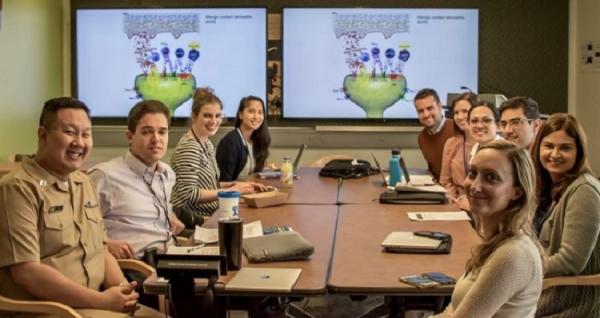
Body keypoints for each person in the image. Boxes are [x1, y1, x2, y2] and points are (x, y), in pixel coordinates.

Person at [0, 97, 162, 317]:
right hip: (49, 309)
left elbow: (101, 249)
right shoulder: (17, 188)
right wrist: (102, 301)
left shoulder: (82, 182)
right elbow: (27, 273)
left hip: (93, 304)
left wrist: (123, 290)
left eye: (86, 134)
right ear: (42, 135)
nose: (79, 142)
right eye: (70, 132)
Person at [432, 140, 544, 318]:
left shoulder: (512, 254)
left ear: (518, 191)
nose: (475, 186)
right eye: (473, 173)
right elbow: (452, 311)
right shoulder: (495, 240)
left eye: (491, 177)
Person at [89, 100, 184, 261]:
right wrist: (106, 243)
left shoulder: (167, 173)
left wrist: (171, 216)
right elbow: (79, 226)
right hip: (138, 267)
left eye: (162, 132)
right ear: (130, 136)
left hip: (171, 256)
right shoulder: (105, 176)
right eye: (147, 132)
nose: (156, 139)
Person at [530, 113, 600, 317]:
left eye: (565, 148)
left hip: (575, 301)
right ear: (538, 148)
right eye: (549, 146)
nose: (555, 154)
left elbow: (570, 261)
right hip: (548, 289)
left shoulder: (584, 190)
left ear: (579, 152)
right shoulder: (553, 187)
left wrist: (523, 269)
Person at [170, 88, 267, 229]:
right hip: (195, 222)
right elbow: (189, 194)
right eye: (207, 116)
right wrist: (232, 191)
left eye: (217, 116)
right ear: (194, 116)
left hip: (213, 214)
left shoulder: (207, 143)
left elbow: (211, 185)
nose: (214, 121)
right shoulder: (189, 148)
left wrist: (239, 186)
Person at [216, 95, 271, 181]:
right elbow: (223, 182)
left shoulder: (257, 140)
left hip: (250, 191)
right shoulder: (230, 142)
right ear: (241, 114)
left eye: (260, 112)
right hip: (232, 193)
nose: (256, 116)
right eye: (251, 111)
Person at [414, 88, 459, 181]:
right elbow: (434, 171)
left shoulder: (457, 129)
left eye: (430, 108)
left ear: (440, 107)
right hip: (439, 189)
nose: (426, 115)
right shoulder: (422, 138)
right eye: (420, 111)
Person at [439, 92, 478, 198]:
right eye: (456, 112)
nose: (459, 117)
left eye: (465, 111)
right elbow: (445, 182)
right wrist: (454, 200)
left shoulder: (489, 144)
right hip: (457, 201)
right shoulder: (451, 144)